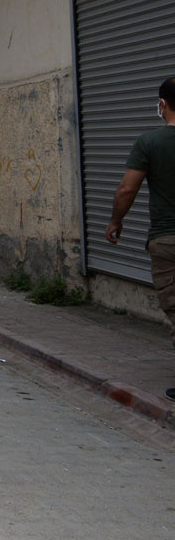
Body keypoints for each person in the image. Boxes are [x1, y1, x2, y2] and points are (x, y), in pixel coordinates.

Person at [106, 77, 175, 403]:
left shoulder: (149, 143)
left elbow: (126, 189)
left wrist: (116, 221)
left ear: (162, 104)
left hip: (167, 239)